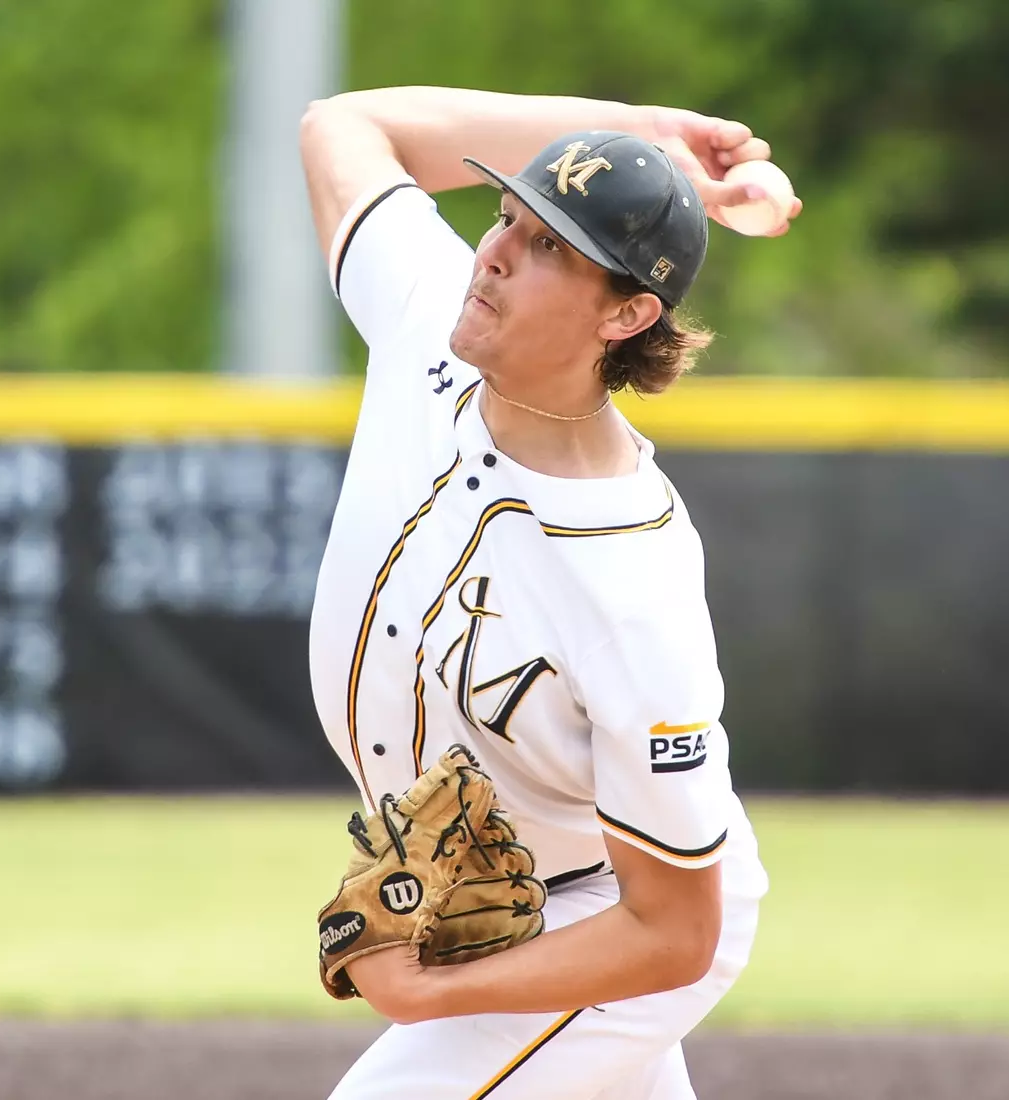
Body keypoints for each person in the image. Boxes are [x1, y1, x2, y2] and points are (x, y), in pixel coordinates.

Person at [301, 85, 799, 1100]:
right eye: (506, 219)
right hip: (518, 890)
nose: (493, 252)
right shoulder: (427, 321)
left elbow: (677, 927)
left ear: (628, 313)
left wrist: (432, 993)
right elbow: (342, 127)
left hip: (607, 917)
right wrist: (640, 131)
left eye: (548, 249)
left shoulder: (630, 580)